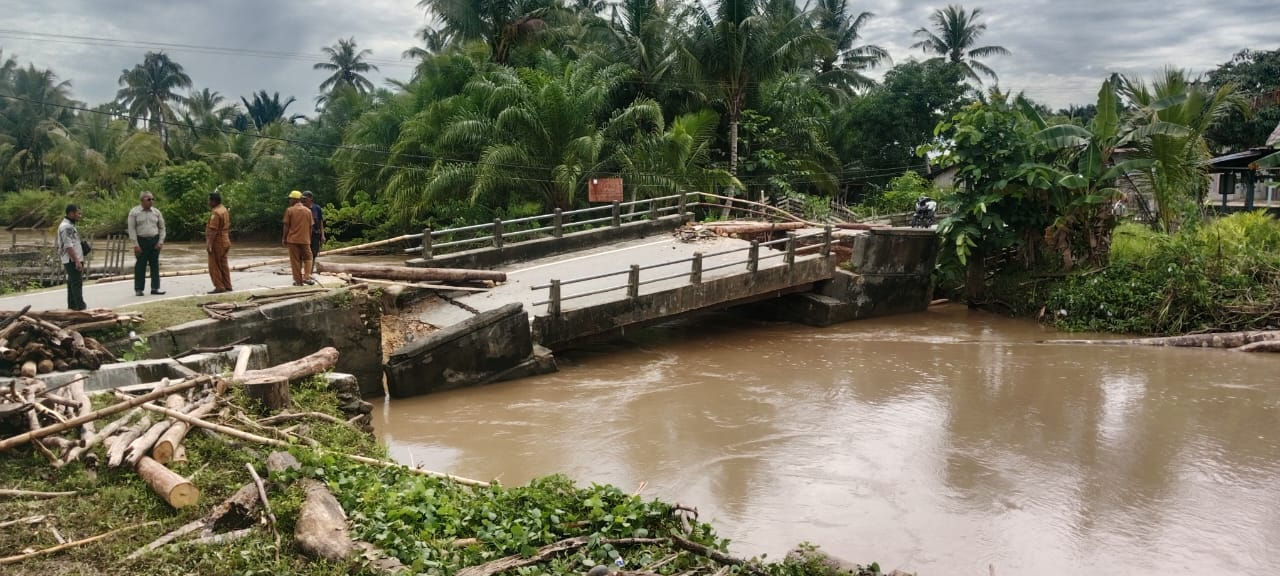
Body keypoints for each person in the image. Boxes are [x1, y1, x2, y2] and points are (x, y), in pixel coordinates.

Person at [127, 191, 166, 296]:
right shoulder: (134, 212)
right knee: (140, 266)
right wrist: (135, 244)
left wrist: (160, 242)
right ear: (142, 200)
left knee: (155, 265)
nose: (151, 201)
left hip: (154, 240)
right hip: (141, 241)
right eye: (149, 199)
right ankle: (139, 289)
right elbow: (131, 229)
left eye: (152, 199)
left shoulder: (156, 212)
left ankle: (155, 288)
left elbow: (162, 228)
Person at [57, 204, 87, 311]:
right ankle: (80, 307)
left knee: (72, 283)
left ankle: (72, 306)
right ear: (71, 213)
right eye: (78, 213)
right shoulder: (66, 227)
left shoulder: (70, 225)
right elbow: (68, 246)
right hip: (72, 260)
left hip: (73, 259)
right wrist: (77, 261)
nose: (80, 215)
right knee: (77, 283)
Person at [282, 190, 314, 286]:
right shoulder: (308, 211)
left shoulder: (289, 210)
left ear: (295, 200)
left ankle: (298, 281)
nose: (289, 201)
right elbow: (311, 227)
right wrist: (309, 238)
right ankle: (307, 276)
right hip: (305, 240)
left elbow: (286, 226)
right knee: (308, 258)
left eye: (290, 199)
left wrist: (284, 238)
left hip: (292, 240)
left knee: (295, 261)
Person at [206, 191, 233, 294]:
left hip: (218, 242)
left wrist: (209, 244)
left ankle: (219, 286)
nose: (208, 202)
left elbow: (213, 230)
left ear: (214, 201)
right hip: (226, 240)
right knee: (223, 264)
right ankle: (227, 285)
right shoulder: (224, 210)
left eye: (209, 200)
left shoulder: (216, 213)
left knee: (214, 265)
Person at [302, 191, 324, 273]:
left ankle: (309, 272)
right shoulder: (302, 208)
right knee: (304, 254)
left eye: (305, 198)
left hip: (315, 235)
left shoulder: (317, 208)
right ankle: (305, 272)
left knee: (314, 254)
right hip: (304, 235)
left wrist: (323, 235)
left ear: (311, 198)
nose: (303, 200)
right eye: (302, 199)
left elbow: (320, 222)